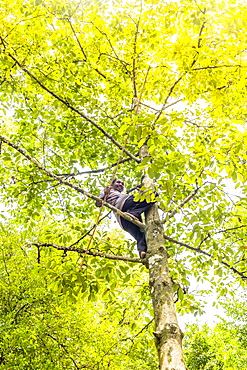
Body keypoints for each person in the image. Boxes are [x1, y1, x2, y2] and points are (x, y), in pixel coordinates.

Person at [96, 179, 156, 259]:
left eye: (122, 184)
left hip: (123, 219)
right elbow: (98, 203)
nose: (120, 184)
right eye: (118, 182)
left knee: (141, 234)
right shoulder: (109, 190)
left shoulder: (122, 194)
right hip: (122, 204)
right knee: (153, 195)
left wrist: (140, 191)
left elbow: (137, 202)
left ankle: (143, 253)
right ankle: (133, 213)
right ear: (112, 184)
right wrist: (105, 193)